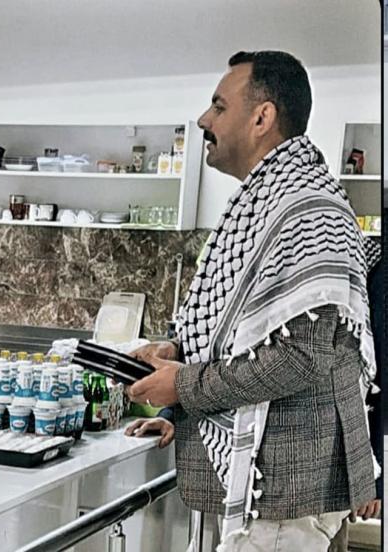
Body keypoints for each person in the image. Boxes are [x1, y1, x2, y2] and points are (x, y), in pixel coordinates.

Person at [125, 51, 378, 551]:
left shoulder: (308, 210)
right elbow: (246, 334)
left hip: (284, 492)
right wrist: (179, 363)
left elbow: (301, 357)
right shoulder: (268, 200)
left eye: (219, 106)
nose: (204, 120)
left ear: (262, 118)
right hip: (273, 487)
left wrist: (184, 386)